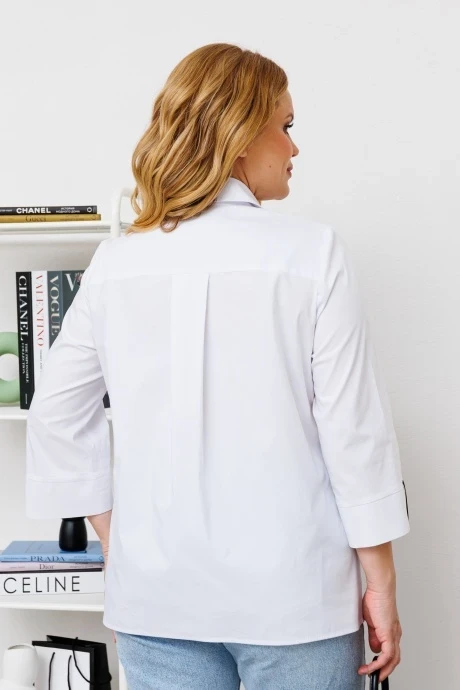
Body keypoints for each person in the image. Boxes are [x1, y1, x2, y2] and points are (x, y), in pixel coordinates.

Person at [25, 43, 410, 689]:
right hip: (296, 598)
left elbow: (56, 412)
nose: (294, 147)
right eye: (285, 126)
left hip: (155, 599)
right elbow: (355, 433)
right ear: (240, 134)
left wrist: (118, 545)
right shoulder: (312, 253)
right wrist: (381, 584)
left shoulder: (118, 262)